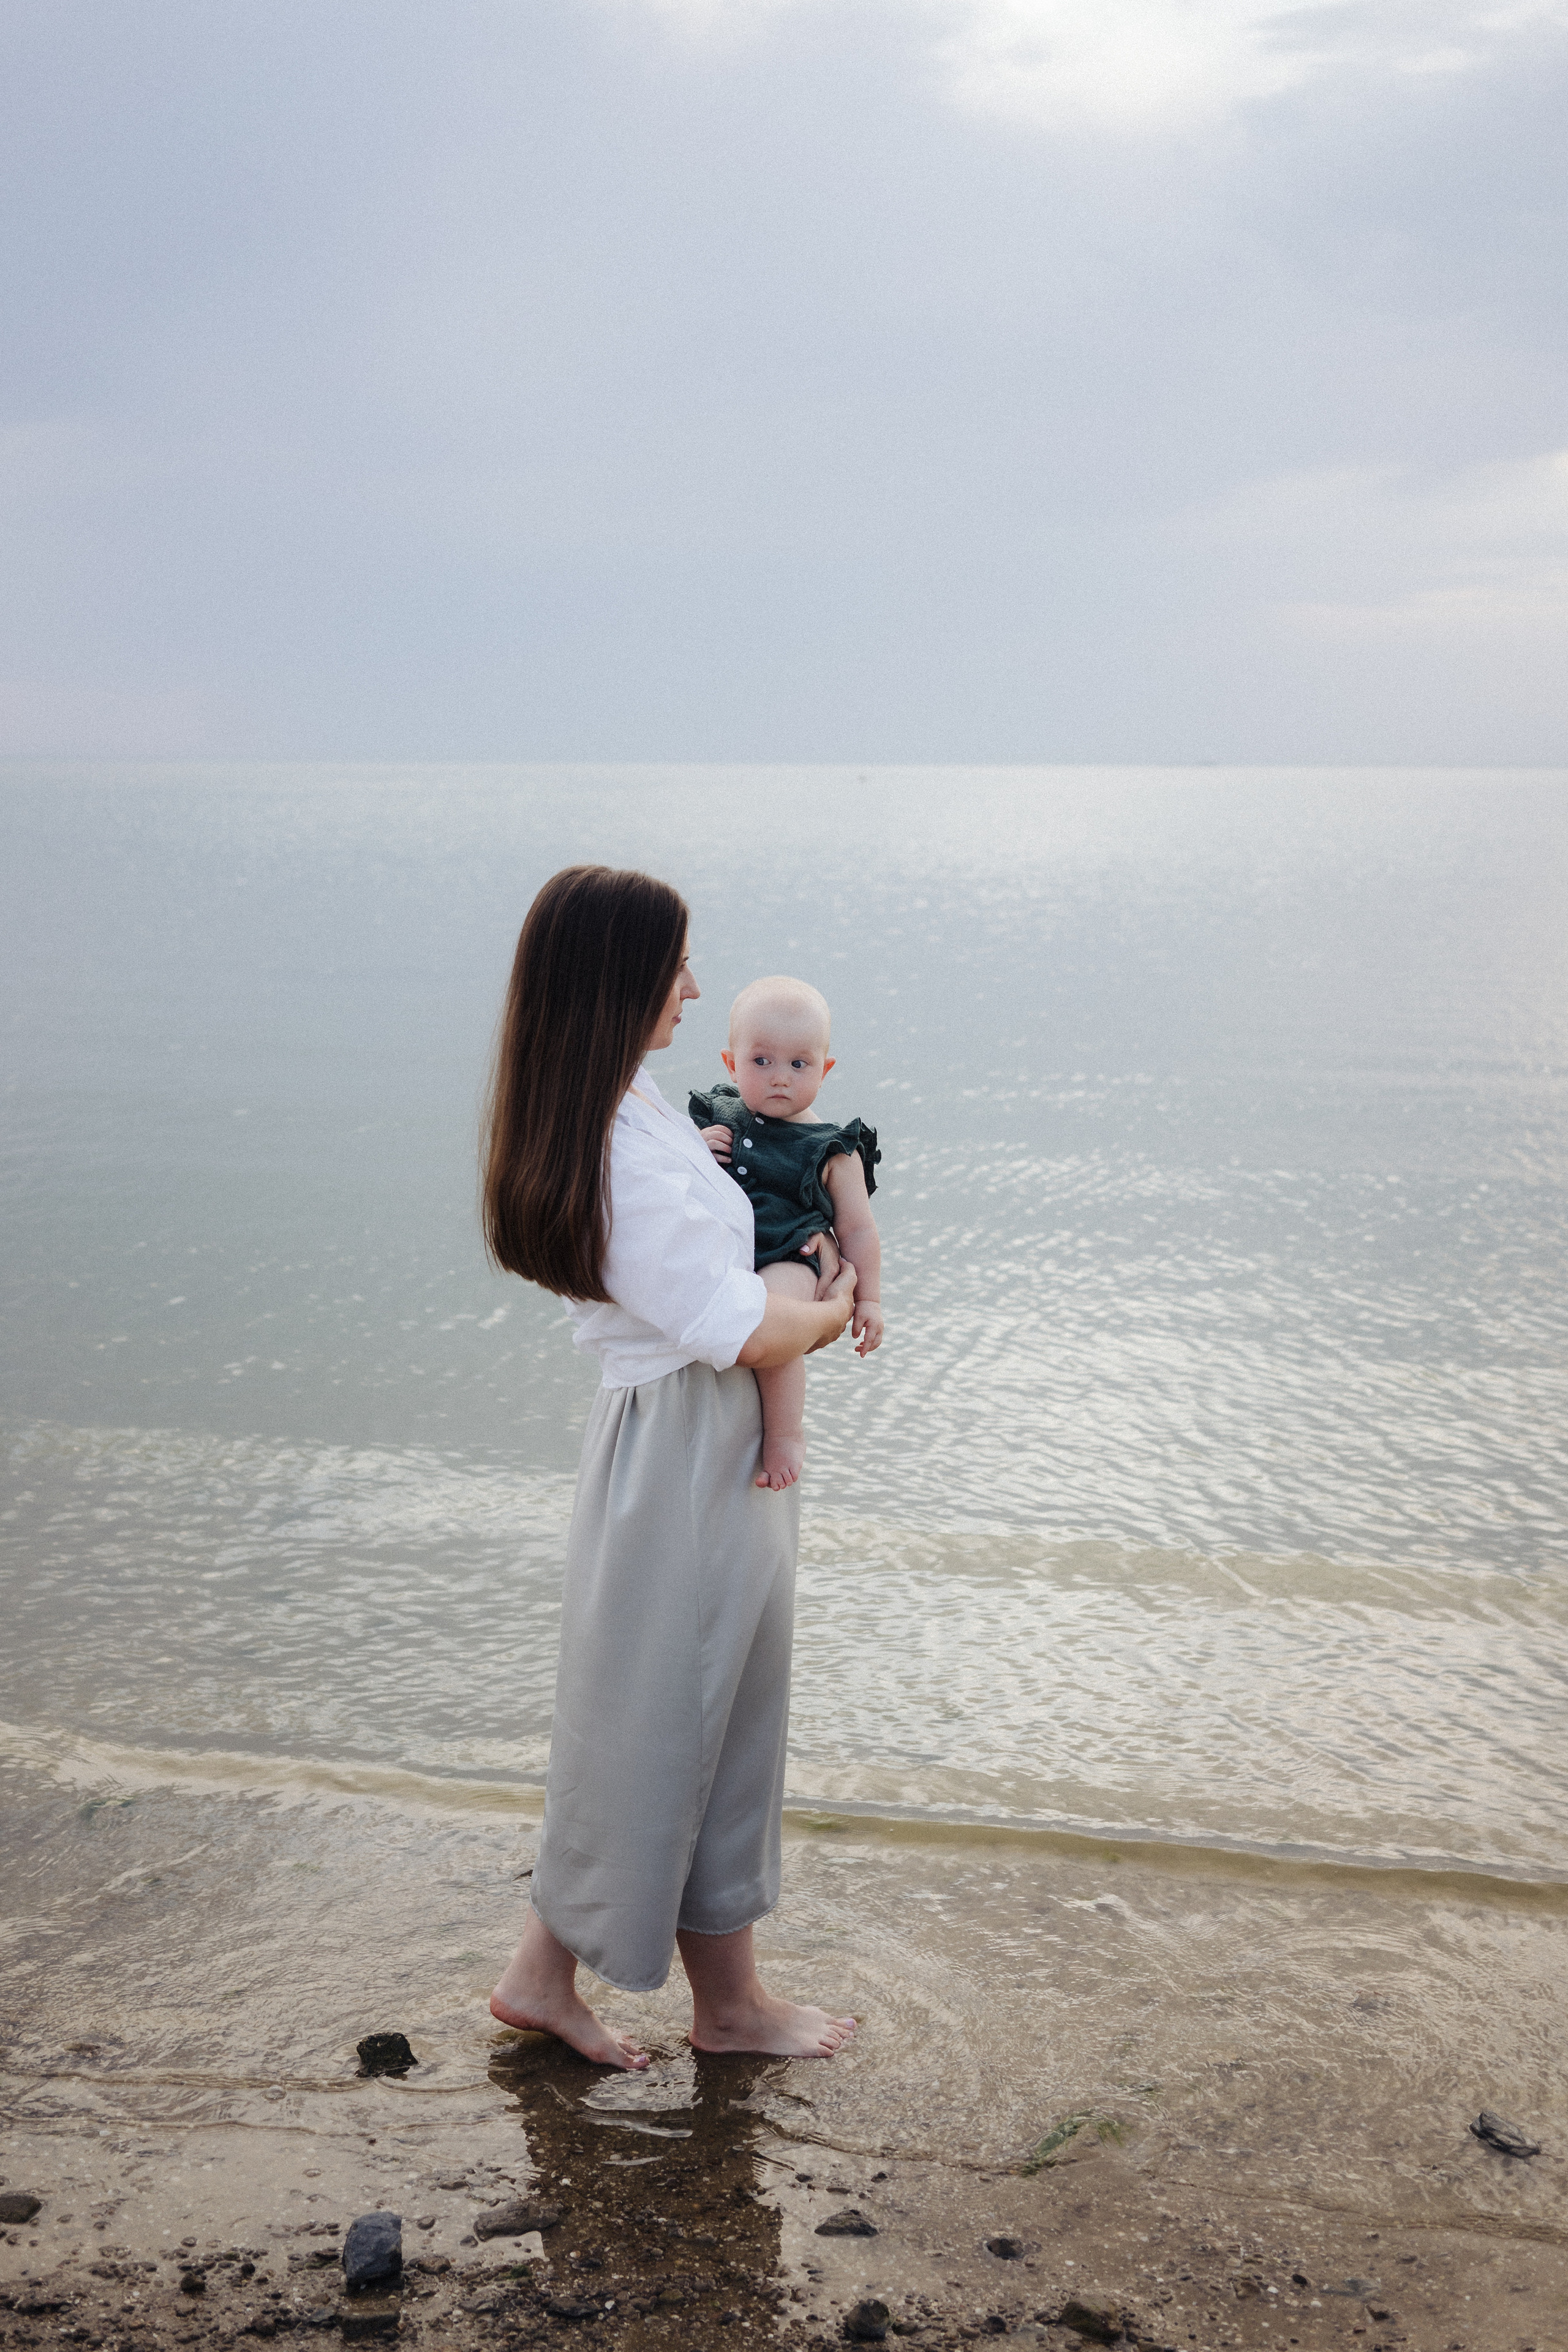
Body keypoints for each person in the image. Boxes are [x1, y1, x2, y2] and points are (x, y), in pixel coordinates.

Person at [481, 865, 861, 2070]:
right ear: (619, 982)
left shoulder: (636, 1108)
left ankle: (643, 1990)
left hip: (703, 1435)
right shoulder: (616, 1153)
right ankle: (692, 2003)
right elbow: (741, 1327)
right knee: (663, 1726)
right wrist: (832, 1303)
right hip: (684, 1439)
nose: (694, 991)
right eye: (676, 967)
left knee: (705, 1720)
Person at [690, 975, 884, 1491]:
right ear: (731, 1063)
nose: (780, 1078)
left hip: (791, 1255)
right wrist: (698, 1149)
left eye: (799, 1064)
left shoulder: (833, 1149)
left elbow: (859, 1229)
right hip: (728, 1251)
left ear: (825, 1069)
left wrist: (869, 1300)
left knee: (774, 1325)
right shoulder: (719, 1116)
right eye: (761, 1061)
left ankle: (784, 1433)